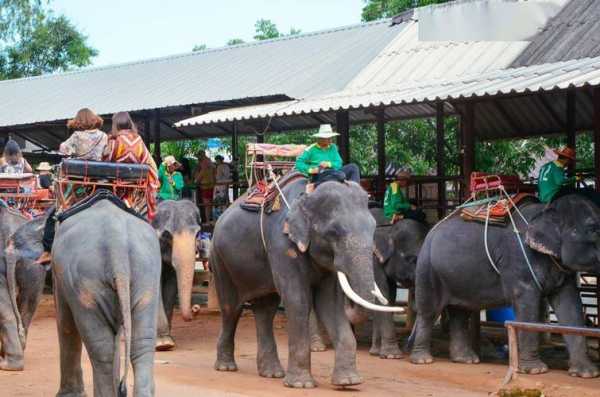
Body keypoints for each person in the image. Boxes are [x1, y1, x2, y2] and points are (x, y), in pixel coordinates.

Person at [102, 112, 159, 217]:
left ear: (115, 124)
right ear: (129, 123)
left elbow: (106, 161)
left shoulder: (113, 140)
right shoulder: (138, 139)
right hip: (135, 186)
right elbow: (148, 161)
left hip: (115, 185)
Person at [295, 124, 360, 183]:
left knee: (353, 167)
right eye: (328, 138)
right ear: (320, 138)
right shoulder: (311, 149)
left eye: (330, 137)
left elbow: (339, 163)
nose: (330, 139)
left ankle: (354, 189)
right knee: (340, 175)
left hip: (335, 172)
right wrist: (311, 170)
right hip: (320, 174)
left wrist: (328, 164)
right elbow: (299, 163)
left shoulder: (333, 147)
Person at [194, 151, 216, 223]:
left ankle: (207, 221)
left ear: (201, 155)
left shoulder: (204, 162)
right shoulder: (209, 162)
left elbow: (202, 173)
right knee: (210, 204)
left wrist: (196, 181)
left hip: (205, 186)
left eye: (198, 156)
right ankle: (210, 220)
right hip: (211, 185)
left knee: (206, 205)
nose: (197, 158)